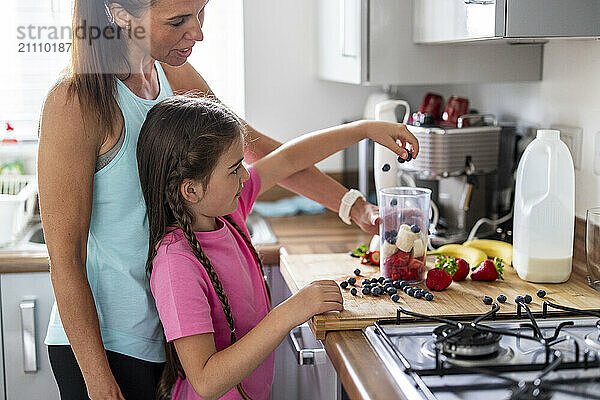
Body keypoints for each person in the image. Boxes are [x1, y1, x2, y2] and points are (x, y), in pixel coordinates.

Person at [37, 0, 419, 398]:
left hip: (173, 340)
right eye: (178, 21)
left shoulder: (172, 69)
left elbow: (257, 152)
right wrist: (99, 384)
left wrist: (353, 205)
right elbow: (65, 261)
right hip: (109, 350)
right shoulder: (76, 102)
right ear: (119, 13)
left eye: (201, 12)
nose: (197, 32)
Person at [137, 95, 418, 400]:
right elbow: (206, 381)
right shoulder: (176, 263)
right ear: (191, 189)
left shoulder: (228, 215)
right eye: (234, 169)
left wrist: (364, 130)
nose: (246, 175)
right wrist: (289, 313)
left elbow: (288, 160)